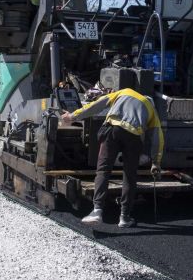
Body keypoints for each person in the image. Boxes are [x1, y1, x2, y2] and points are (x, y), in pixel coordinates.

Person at [61, 88, 165, 228]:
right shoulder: (151, 109)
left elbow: (97, 105)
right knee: (129, 176)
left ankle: (97, 210)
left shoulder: (125, 92)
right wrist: (156, 162)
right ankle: (124, 217)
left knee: (103, 170)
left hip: (112, 131)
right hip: (133, 137)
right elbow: (157, 138)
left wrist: (73, 116)